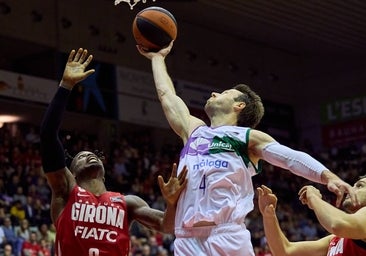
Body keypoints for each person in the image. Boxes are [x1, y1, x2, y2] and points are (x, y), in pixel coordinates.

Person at [137, 41, 358, 255]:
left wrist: (328, 177)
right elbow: (167, 97)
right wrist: (157, 58)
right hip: (186, 238)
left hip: (226, 235)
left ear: (239, 105)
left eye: (223, 93)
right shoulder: (194, 131)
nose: (214, 93)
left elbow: (290, 158)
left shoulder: (247, 137)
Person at [40, 48, 188, 256]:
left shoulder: (128, 203)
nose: (89, 155)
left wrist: (172, 204)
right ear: (72, 173)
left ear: (103, 167)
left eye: (92, 155)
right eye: (81, 157)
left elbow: (167, 226)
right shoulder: (66, 192)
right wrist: (66, 86)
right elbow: (48, 135)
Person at [257, 177, 366, 256]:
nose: (350, 189)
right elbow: (284, 251)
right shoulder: (336, 239)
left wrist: (314, 197)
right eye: (353, 185)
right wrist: (268, 215)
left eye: (360, 186)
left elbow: (337, 225)